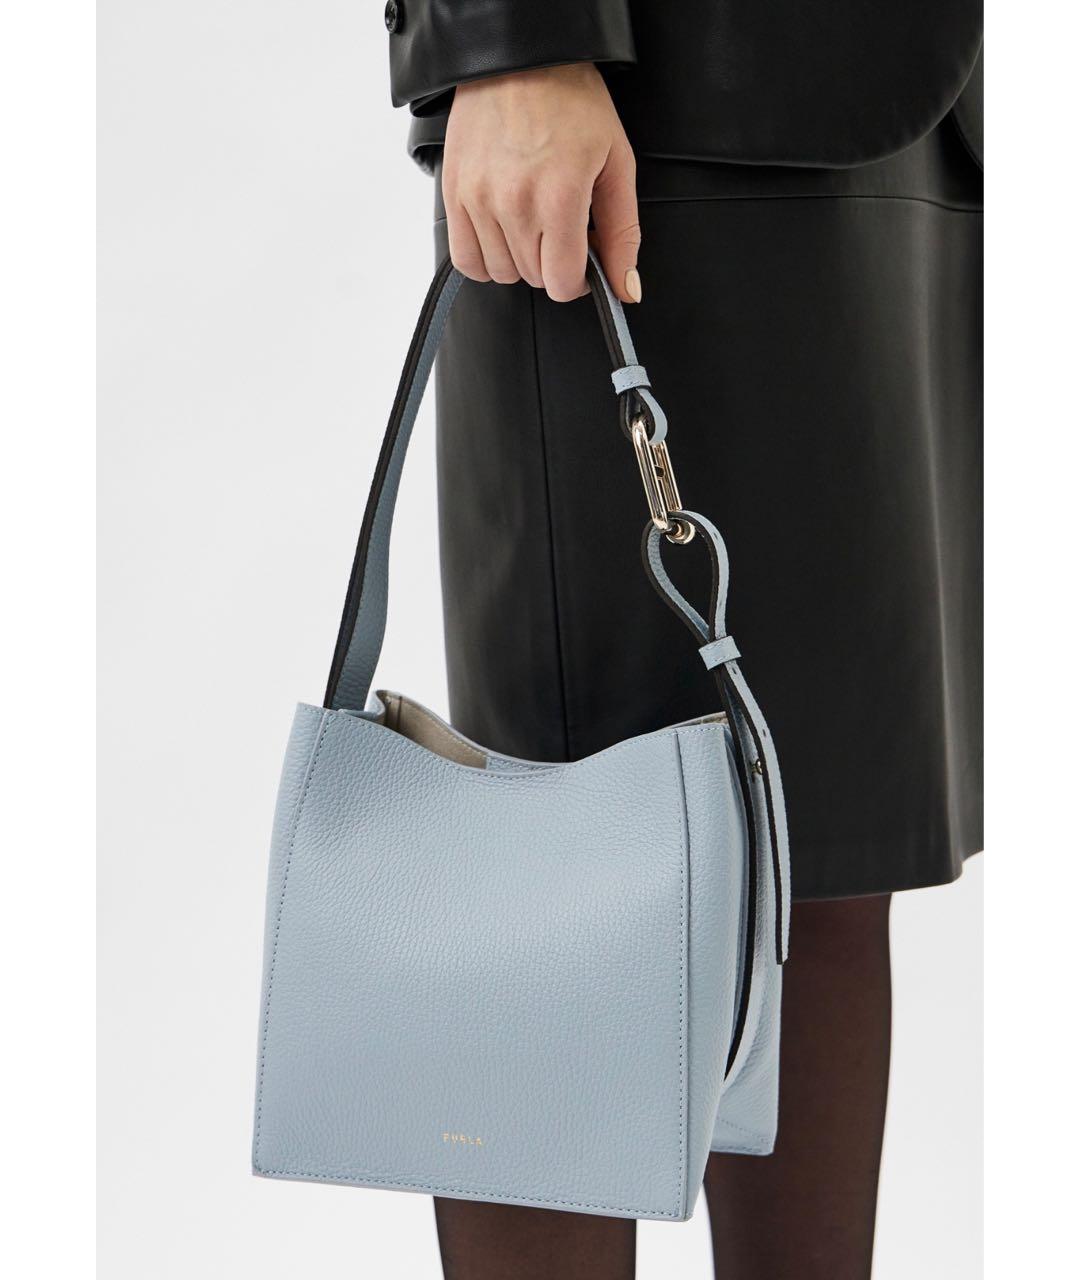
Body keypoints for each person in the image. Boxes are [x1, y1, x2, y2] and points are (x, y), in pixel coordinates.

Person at [383, 4, 983, 1276]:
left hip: (888, 113)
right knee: (570, 864)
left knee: (816, 847)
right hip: (627, 104)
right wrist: (510, 38)